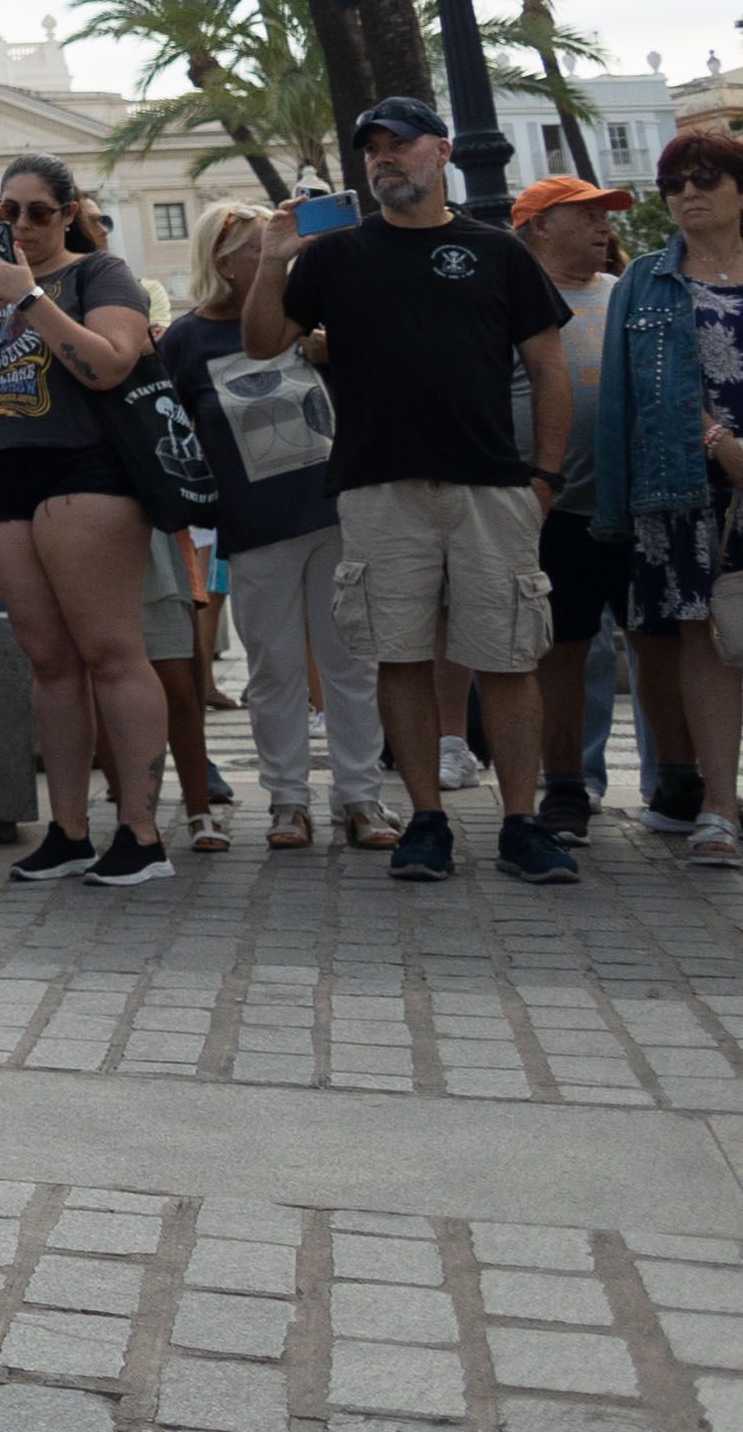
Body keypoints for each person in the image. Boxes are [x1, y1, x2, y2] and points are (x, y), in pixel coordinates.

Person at [248, 97, 578, 886]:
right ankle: (425, 817)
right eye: (373, 148)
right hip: (378, 488)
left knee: (506, 656)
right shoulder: (332, 257)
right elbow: (261, 344)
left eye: (401, 143)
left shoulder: (497, 252)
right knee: (397, 655)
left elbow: (548, 368)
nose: (385, 157)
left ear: (443, 151)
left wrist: (545, 477)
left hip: (492, 487)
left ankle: (521, 822)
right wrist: (272, 258)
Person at [0, 154, 176, 885]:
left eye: (37, 211)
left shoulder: (99, 273)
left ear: (66, 213)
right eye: (8, 211)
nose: (21, 224)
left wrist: (32, 299)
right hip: (0, 479)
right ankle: (67, 829)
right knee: (50, 660)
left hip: (83, 471)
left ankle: (142, 832)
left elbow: (109, 364)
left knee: (110, 650)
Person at [163, 206, 376, 852]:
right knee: (274, 667)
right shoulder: (186, 339)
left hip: (335, 511)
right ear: (223, 263)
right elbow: (170, 432)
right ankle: (288, 800)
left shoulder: (310, 316)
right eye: (261, 248)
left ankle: (360, 795)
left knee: (349, 662)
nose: (279, 255)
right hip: (253, 528)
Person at [509, 173, 685, 851]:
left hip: (643, 505)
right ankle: (566, 788)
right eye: (584, 215)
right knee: (563, 654)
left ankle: (675, 780)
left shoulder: (628, 296)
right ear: (538, 227)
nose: (602, 226)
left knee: (659, 645)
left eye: (604, 214)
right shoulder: (512, 306)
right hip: (558, 509)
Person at [580, 137, 743, 867]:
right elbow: (620, 405)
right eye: (672, 182)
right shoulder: (642, 281)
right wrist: (715, 440)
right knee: (704, 640)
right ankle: (717, 804)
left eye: (705, 177)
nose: (687, 192)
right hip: (683, 485)